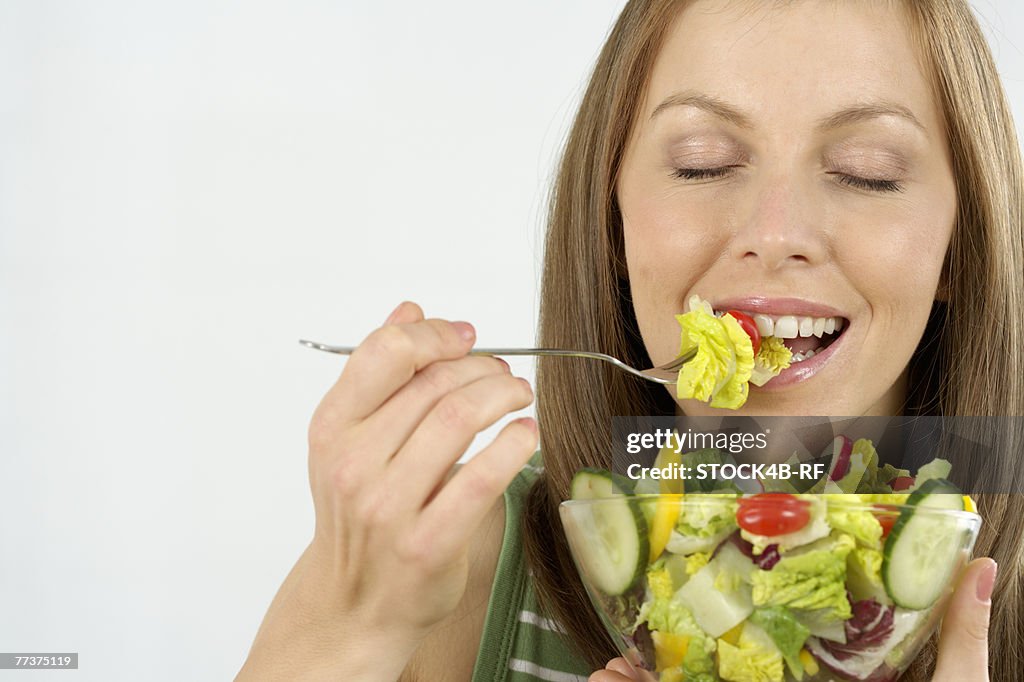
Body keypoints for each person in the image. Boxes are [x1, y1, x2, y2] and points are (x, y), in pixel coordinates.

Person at [236, 1, 1024, 680]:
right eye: (701, 164)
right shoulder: (446, 570)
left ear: (962, 243)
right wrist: (344, 632)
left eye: (865, 172)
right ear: (612, 222)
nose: (776, 233)